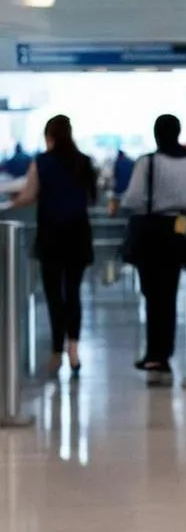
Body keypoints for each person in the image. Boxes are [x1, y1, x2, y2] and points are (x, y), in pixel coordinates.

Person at [120, 114, 186, 385]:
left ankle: (155, 353)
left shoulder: (149, 162)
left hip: (151, 232)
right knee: (168, 293)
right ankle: (162, 352)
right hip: (179, 231)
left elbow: (133, 198)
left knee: (152, 294)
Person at [9, 116, 97, 379]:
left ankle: (56, 352)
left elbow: (29, 195)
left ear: (50, 136)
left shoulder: (42, 162)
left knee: (53, 294)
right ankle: (74, 350)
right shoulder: (83, 162)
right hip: (78, 234)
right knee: (73, 292)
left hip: (51, 235)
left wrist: (12, 203)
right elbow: (90, 197)